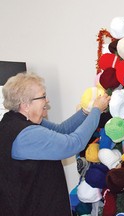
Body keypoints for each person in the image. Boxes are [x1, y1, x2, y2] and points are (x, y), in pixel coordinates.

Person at [0, 72, 110, 216]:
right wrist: (96, 110)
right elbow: (74, 143)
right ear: (25, 104)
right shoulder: (26, 135)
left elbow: (61, 130)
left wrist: (86, 111)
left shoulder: (15, 122)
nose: (47, 100)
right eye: (43, 96)